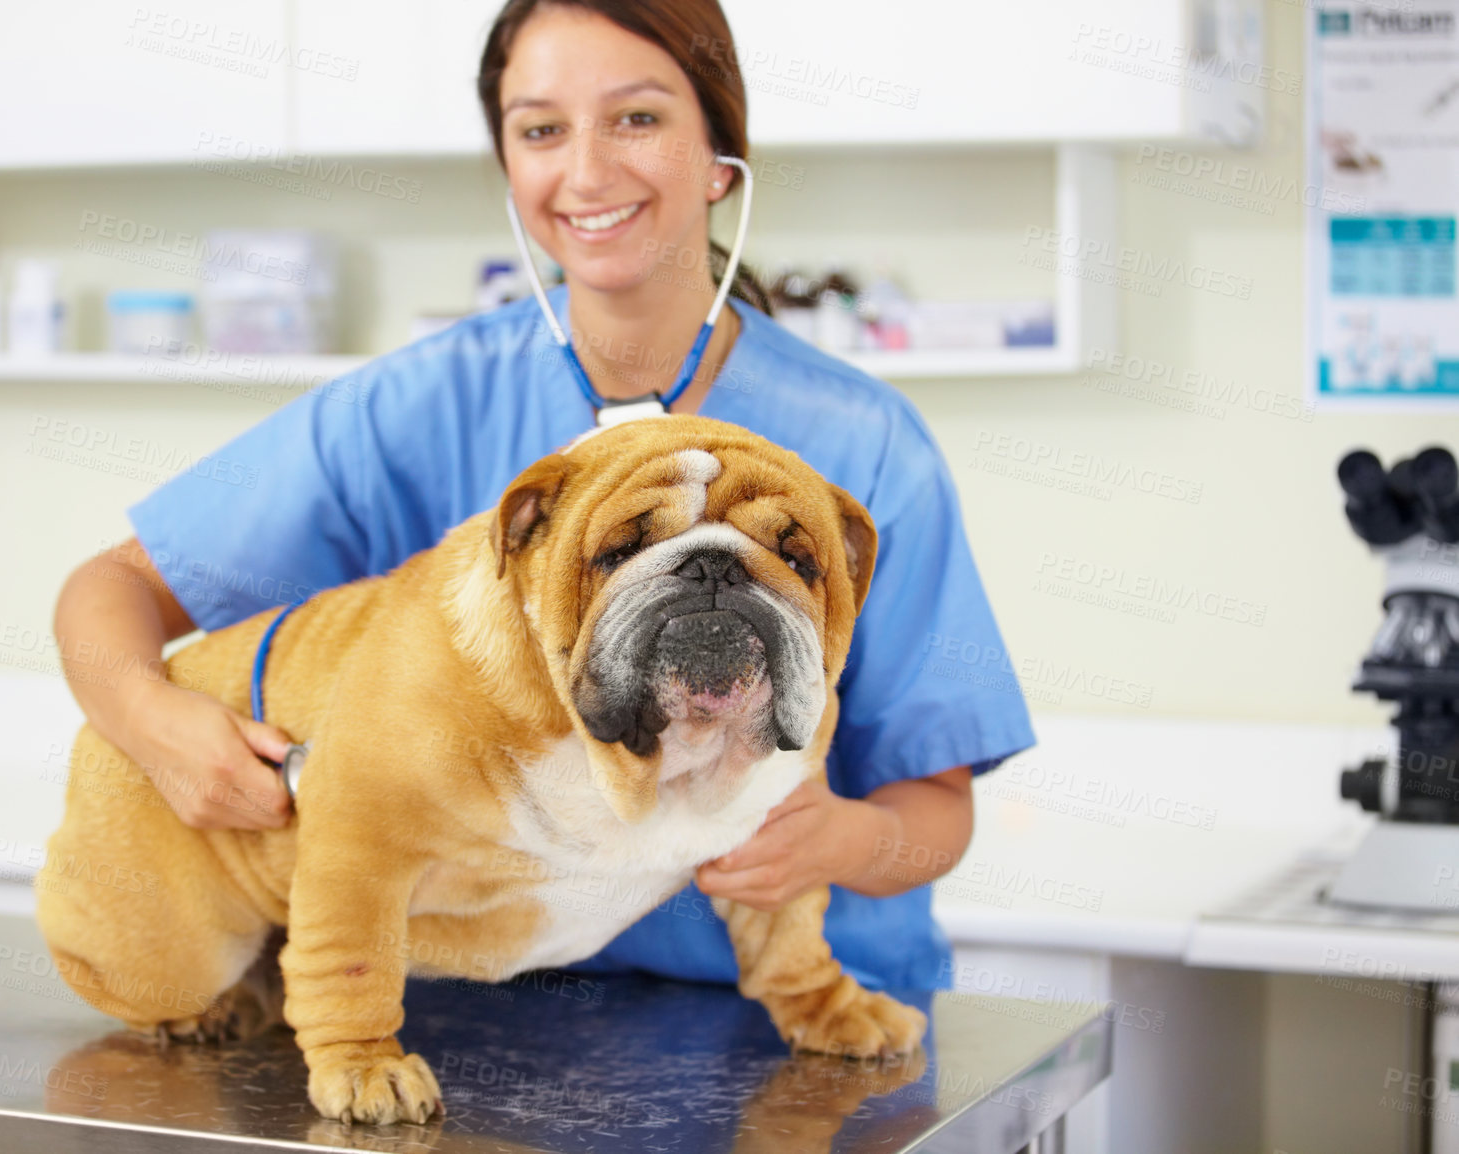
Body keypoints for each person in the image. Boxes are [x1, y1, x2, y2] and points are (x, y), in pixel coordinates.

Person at [52, 0, 1035, 993]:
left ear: (719, 159)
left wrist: (849, 842)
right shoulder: (416, 404)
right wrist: (151, 721)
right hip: (486, 1019)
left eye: (638, 118)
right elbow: (110, 590)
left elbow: (936, 813)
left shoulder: (863, 444)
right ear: (510, 169)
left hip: (786, 1032)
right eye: (540, 130)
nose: (587, 170)